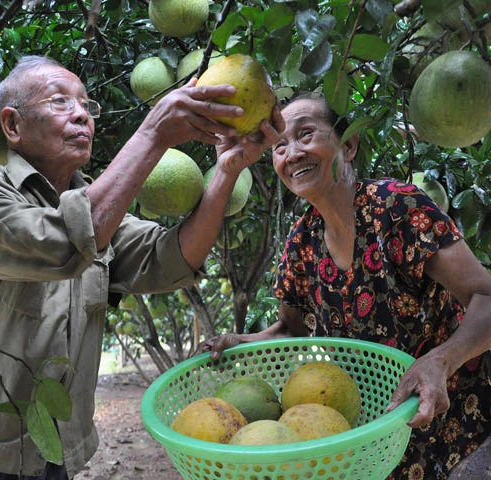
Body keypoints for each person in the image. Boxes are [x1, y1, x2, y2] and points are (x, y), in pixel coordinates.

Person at [0, 55, 280, 479]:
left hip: (56, 455)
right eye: (60, 102)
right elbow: (65, 243)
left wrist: (228, 168)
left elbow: (173, 259)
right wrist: (154, 133)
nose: (82, 114)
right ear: (11, 125)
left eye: (87, 105)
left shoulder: (101, 214)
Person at [197, 92, 491, 479]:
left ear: (347, 145)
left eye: (306, 135)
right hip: (381, 434)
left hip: (460, 418)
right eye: (280, 145)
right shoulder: (302, 241)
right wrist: (243, 341)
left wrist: (441, 360)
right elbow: (290, 329)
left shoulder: (396, 208)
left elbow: (485, 296)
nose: (293, 153)